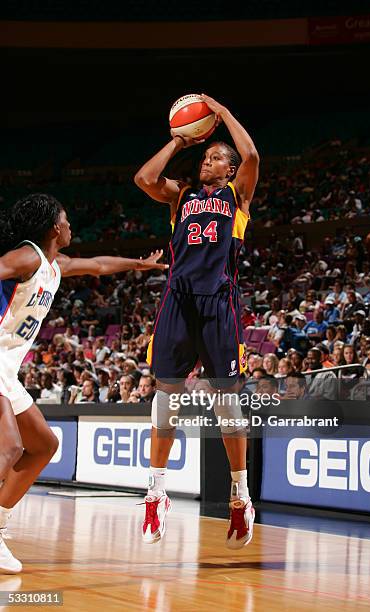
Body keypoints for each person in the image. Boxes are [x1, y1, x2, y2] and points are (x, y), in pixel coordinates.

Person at [0, 193, 168, 573]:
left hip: (7, 368)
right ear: (54, 228)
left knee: (44, 445)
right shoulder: (26, 256)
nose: (71, 224)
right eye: (66, 218)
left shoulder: (54, 263)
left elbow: (97, 265)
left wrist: (138, 264)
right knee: (10, 448)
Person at [134, 93, 259, 548]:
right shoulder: (181, 195)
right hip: (178, 299)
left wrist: (221, 113)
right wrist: (179, 141)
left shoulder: (238, 195)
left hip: (219, 301)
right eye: (204, 157)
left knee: (227, 402)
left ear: (228, 169)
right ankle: (156, 491)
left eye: (213, 157)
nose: (207, 161)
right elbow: (144, 177)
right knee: (166, 394)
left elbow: (251, 153)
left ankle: (240, 496)